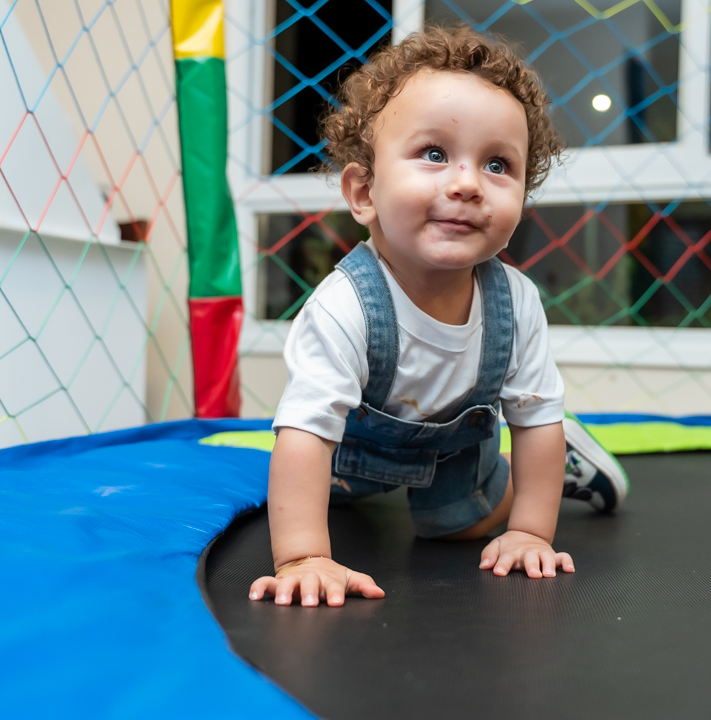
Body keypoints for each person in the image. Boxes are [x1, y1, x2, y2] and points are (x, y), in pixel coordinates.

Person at [249, 26, 628, 607]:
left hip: (455, 453)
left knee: (457, 526)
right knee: (318, 502)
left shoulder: (515, 302)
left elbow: (534, 419)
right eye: (434, 154)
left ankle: (564, 469)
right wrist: (303, 557)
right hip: (347, 455)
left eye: (497, 164)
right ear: (364, 193)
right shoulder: (344, 304)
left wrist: (530, 532)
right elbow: (306, 432)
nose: (468, 183)